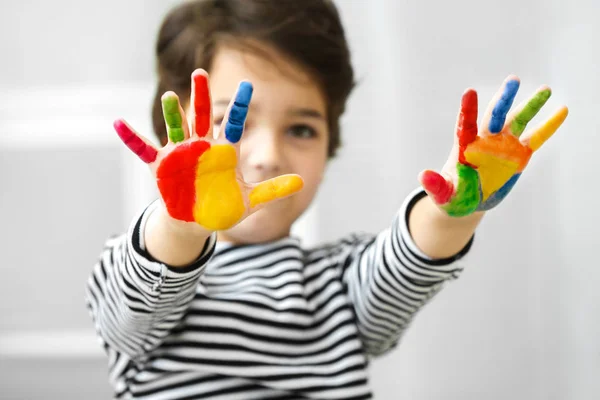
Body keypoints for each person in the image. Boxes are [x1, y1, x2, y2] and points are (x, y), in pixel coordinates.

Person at [85, 0, 568, 398]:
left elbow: (404, 267)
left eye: (301, 128)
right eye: (230, 124)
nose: (268, 155)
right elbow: (132, 319)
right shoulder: (141, 269)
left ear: (329, 145)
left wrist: (448, 213)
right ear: (174, 133)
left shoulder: (339, 281)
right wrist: (179, 225)